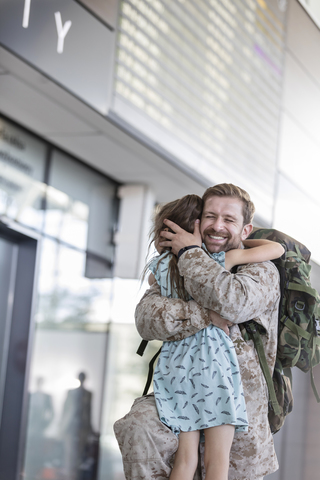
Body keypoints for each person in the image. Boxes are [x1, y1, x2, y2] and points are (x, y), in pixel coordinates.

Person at [114, 183, 281, 480]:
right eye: (210, 216)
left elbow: (234, 301)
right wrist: (204, 314)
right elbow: (148, 319)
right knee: (137, 426)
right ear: (196, 221)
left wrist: (191, 253)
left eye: (229, 220)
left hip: (233, 406)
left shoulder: (260, 270)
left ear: (246, 230)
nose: (217, 226)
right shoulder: (175, 266)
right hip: (184, 391)